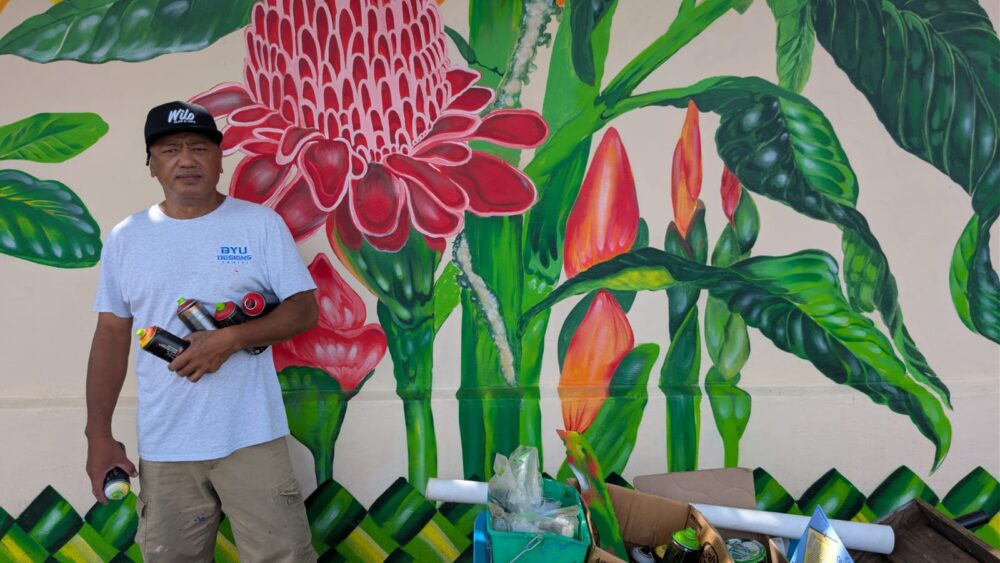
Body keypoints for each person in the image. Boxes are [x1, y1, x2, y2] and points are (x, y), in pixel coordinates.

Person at [84, 101, 319, 562]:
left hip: (252, 436)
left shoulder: (259, 225)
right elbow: (110, 337)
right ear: (151, 165)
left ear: (219, 158)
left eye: (199, 147)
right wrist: (98, 435)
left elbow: (304, 310)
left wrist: (229, 339)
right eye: (170, 150)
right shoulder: (127, 238)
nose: (186, 160)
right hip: (167, 443)